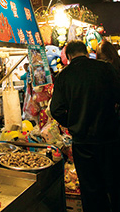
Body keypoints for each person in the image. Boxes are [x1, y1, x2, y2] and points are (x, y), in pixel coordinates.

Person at [50, 40, 120, 212]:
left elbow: (56, 110)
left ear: (68, 56)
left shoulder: (63, 76)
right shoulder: (106, 69)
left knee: (91, 191)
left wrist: (72, 121)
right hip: (110, 139)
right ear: (87, 52)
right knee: (115, 186)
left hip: (83, 144)